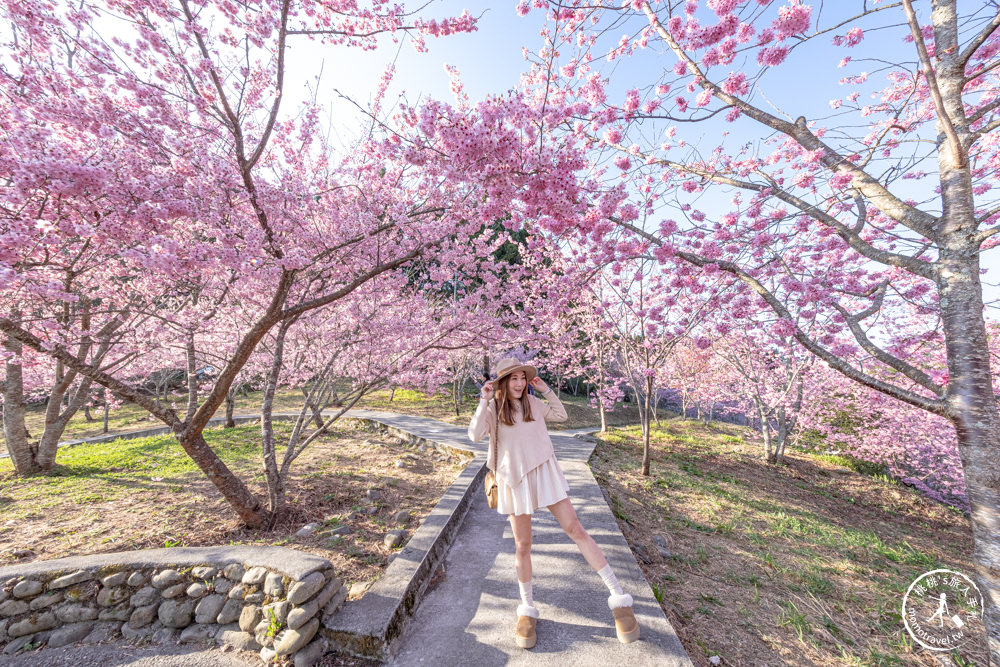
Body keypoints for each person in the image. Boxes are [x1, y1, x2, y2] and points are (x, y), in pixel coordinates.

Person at [468, 357, 640, 649]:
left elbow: (561, 415)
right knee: (523, 545)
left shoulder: (535, 404)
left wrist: (546, 390)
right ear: (502, 383)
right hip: (514, 479)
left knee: (576, 529)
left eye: (523, 378)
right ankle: (527, 610)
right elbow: (474, 435)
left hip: (544, 471)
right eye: (513, 379)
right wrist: (483, 401)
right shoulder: (495, 408)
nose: (520, 383)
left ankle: (619, 600)